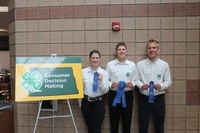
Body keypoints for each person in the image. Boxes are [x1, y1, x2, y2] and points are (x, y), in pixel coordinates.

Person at [136, 39, 172, 133]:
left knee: (159, 127)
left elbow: (168, 81)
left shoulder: (164, 65)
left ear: (158, 50)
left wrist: (161, 86)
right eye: (149, 48)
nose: (151, 50)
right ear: (146, 50)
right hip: (144, 99)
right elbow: (135, 80)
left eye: (154, 47)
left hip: (159, 99)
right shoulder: (140, 65)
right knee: (143, 127)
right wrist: (141, 85)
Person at [106, 42, 139, 133]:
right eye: (119, 49)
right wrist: (111, 84)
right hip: (114, 95)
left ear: (126, 51)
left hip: (127, 95)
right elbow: (106, 80)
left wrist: (132, 84)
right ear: (116, 51)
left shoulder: (132, 65)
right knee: (113, 122)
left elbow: (136, 79)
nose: (121, 51)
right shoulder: (110, 65)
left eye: (123, 49)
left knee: (127, 122)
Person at [81, 50, 109, 133]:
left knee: (96, 129)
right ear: (90, 59)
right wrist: (80, 102)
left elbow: (105, 90)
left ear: (100, 59)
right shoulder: (83, 72)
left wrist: (100, 81)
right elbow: (81, 88)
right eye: (93, 58)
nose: (95, 60)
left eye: (97, 58)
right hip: (86, 103)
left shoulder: (104, 73)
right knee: (89, 127)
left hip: (98, 103)